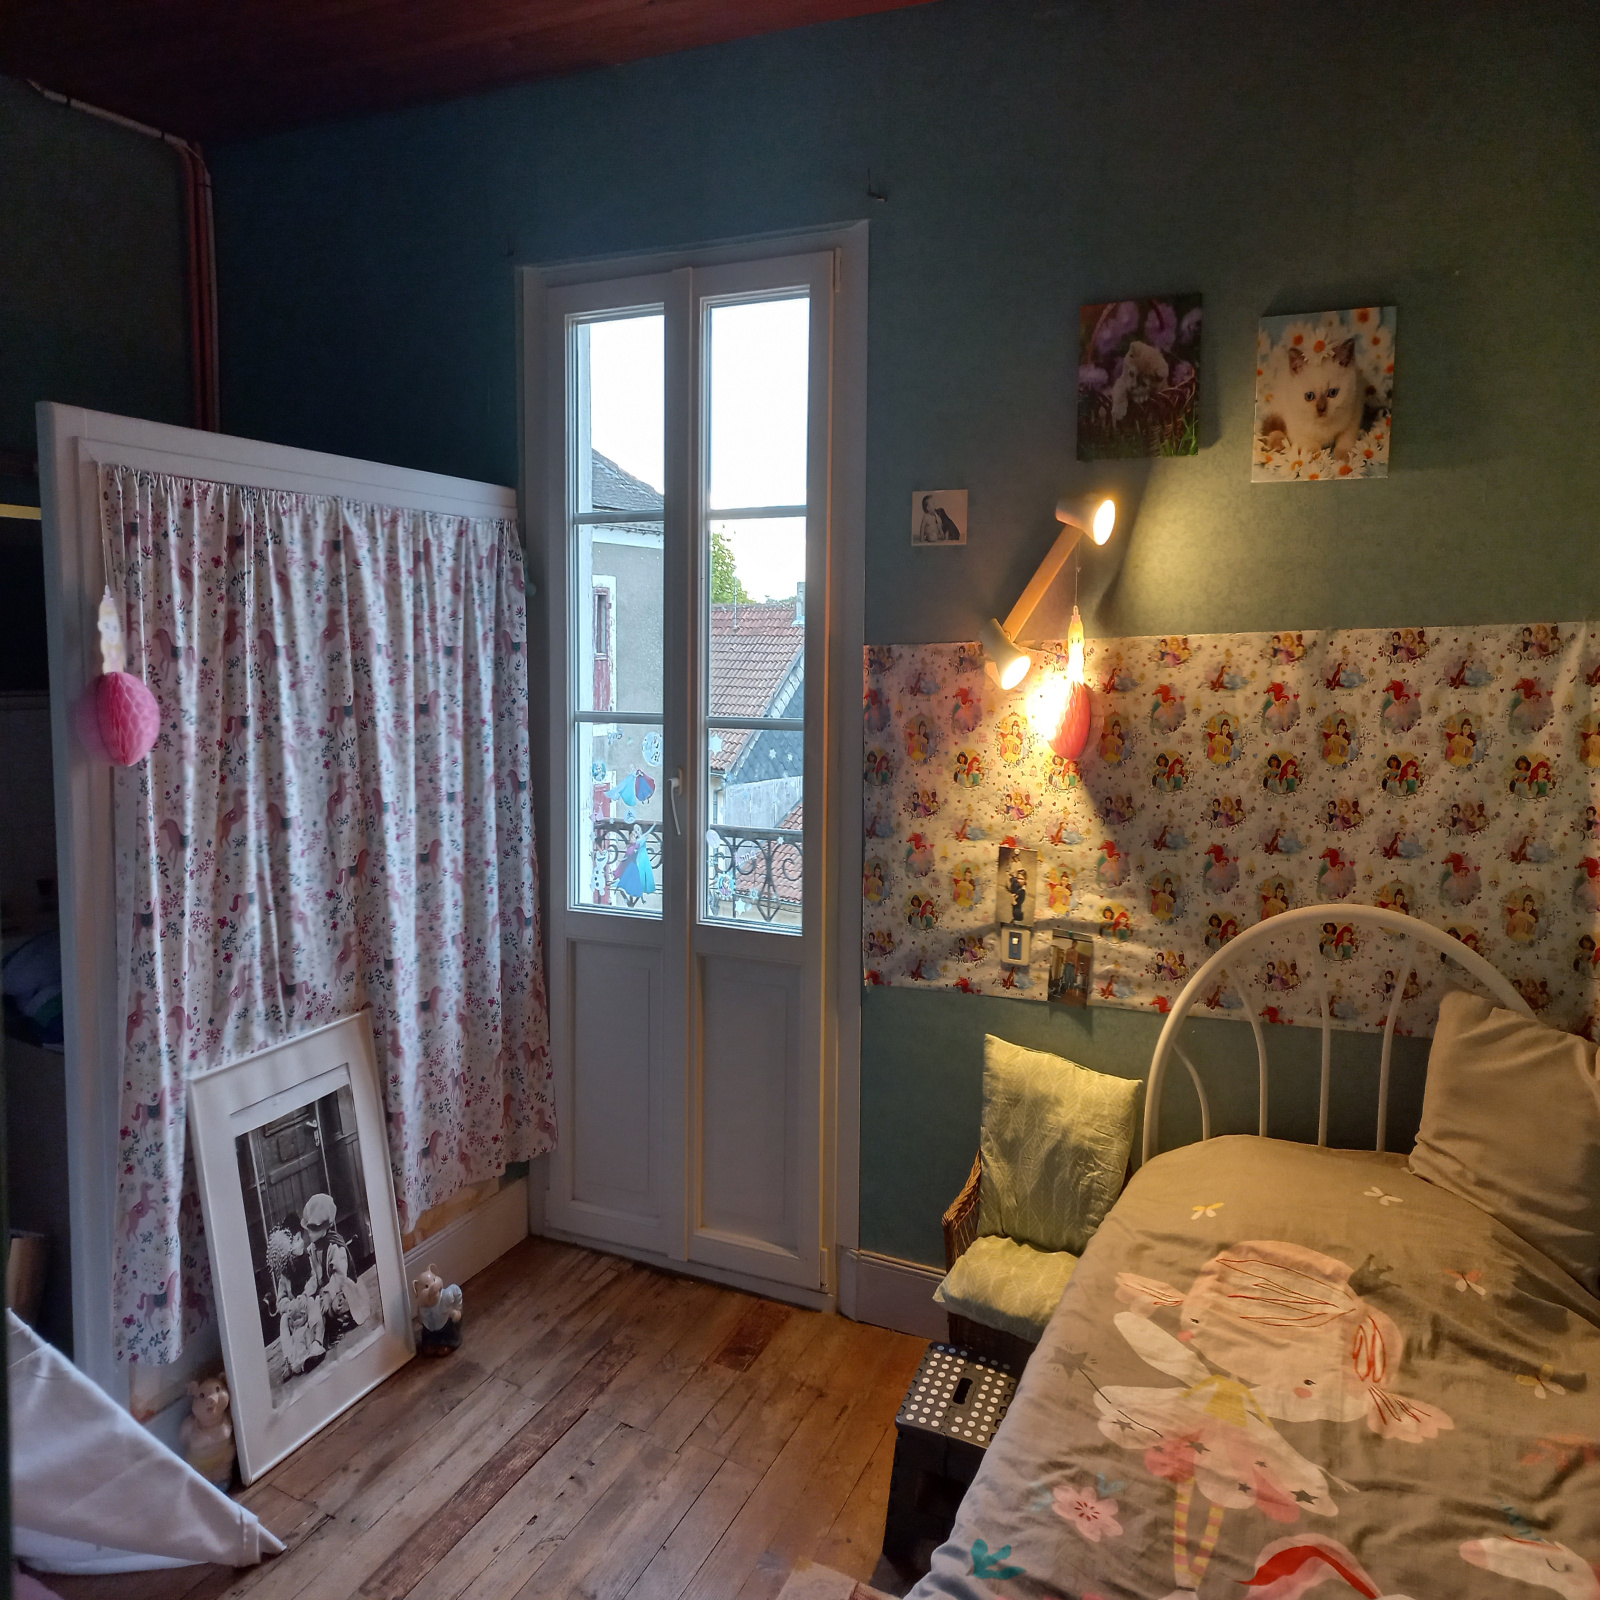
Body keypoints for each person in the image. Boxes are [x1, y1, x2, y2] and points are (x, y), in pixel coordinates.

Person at [302, 1192, 370, 1348]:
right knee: (313, 1306)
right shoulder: (311, 1250)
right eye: (308, 1229)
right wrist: (308, 1292)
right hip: (324, 1289)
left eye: (314, 1228)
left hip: (343, 1288)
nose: (309, 1233)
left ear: (325, 1227)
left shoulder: (335, 1246)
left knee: (334, 1305)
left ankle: (340, 1324)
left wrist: (328, 1293)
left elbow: (340, 1276)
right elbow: (313, 1276)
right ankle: (321, 1334)